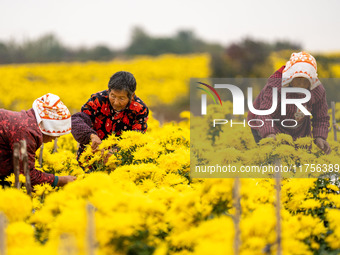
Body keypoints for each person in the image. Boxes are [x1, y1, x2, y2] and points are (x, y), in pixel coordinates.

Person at [248, 51, 331, 154]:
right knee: (274, 156)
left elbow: (321, 117)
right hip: (267, 122)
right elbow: (264, 113)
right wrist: (269, 134)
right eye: (298, 79)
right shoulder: (276, 86)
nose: (301, 84)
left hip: (298, 125)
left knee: (299, 157)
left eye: (306, 81)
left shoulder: (317, 90)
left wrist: (320, 137)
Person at [0, 93, 77, 187]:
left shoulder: (27, 121)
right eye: (56, 134)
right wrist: (59, 180)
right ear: (49, 127)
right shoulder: (26, 132)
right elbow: (26, 175)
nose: (55, 138)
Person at [71, 71, 149, 163]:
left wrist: (117, 151)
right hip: (90, 159)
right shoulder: (97, 100)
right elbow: (76, 121)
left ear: (132, 96)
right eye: (113, 96)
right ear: (109, 91)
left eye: (121, 98)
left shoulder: (139, 109)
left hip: (121, 162)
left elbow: (137, 138)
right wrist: (91, 136)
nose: (116, 102)